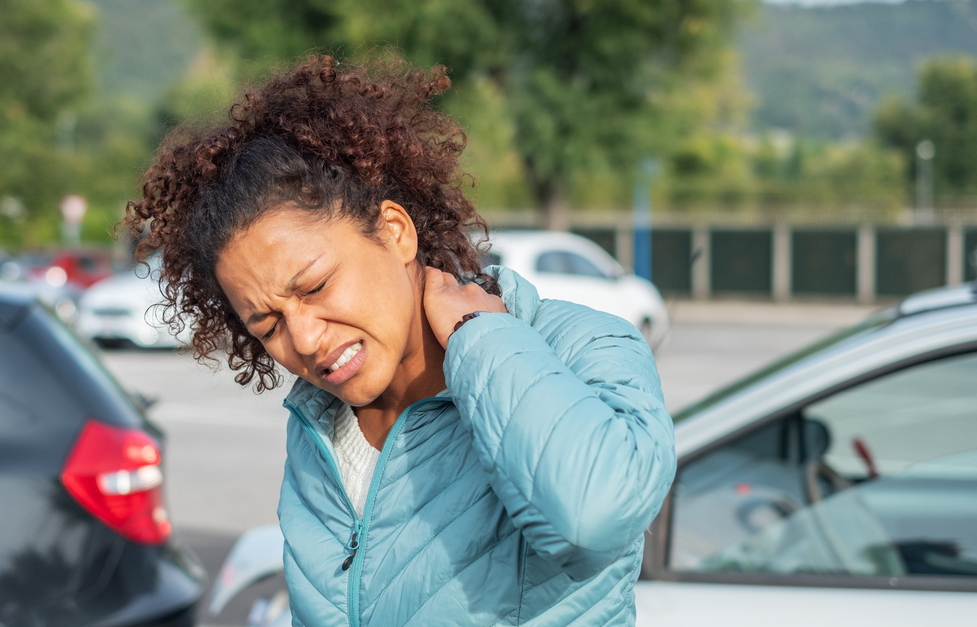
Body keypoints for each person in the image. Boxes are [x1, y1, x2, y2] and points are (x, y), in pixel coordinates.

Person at [124, 54, 675, 627]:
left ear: (394, 231)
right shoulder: (318, 424)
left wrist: (479, 337)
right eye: (267, 325)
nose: (305, 340)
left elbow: (593, 520)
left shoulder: (578, 344)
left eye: (315, 286)